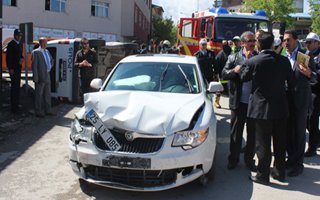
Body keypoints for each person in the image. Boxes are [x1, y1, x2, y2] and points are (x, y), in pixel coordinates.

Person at [240, 32, 295, 185]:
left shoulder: (254, 61)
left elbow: (244, 77)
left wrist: (247, 60)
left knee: (262, 145)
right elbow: (292, 83)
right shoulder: (283, 61)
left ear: (258, 44)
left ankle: (262, 176)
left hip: (261, 109)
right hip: (280, 108)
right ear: (272, 45)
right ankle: (279, 173)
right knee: (280, 143)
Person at [222, 31, 258, 171]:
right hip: (238, 102)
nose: (252, 43)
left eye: (254, 40)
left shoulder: (258, 57)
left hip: (254, 103)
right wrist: (234, 71)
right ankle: (233, 159)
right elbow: (224, 73)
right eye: (249, 41)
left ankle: (249, 160)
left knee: (252, 134)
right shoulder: (233, 57)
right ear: (242, 43)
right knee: (236, 133)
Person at [283, 30, 317, 177]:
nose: (286, 43)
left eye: (289, 40)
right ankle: (290, 159)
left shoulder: (304, 56)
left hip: (301, 101)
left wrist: (309, 73)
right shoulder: (283, 56)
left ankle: (297, 164)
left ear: (296, 40)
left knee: (299, 133)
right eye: (284, 40)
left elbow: (315, 77)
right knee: (288, 132)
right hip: (285, 100)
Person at [304, 32, 320, 157]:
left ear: (317, 43)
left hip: (316, 91)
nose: (307, 44)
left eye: (310, 42)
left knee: (312, 119)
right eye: (306, 42)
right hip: (306, 90)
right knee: (306, 120)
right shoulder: (305, 55)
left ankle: (312, 147)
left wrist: (311, 74)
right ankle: (316, 140)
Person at [31, 37, 54, 117]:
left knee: (47, 94)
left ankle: (48, 110)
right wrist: (35, 78)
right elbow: (34, 66)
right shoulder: (36, 52)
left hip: (47, 75)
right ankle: (38, 111)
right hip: (40, 76)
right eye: (45, 42)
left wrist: (50, 66)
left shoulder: (47, 51)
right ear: (41, 43)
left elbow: (51, 60)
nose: (46, 44)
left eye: (46, 42)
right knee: (39, 95)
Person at [6, 29, 24, 114]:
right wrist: (10, 68)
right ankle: (13, 108)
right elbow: (8, 57)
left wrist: (22, 59)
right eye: (18, 35)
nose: (19, 37)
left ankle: (17, 105)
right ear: (14, 35)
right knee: (14, 88)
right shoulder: (11, 44)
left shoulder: (19, 44)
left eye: (20, 36)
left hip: (18, 68)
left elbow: (21, 55)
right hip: (13, 69)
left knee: (17, 87)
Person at [214, 40, 232, 108]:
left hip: (230, 75)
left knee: (231, 91)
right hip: (222, 75)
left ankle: (231, 104)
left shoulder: (232, 53)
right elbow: (216, 64)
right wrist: (216, 73)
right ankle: (217, 102)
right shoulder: (220, 54)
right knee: (219, 90)